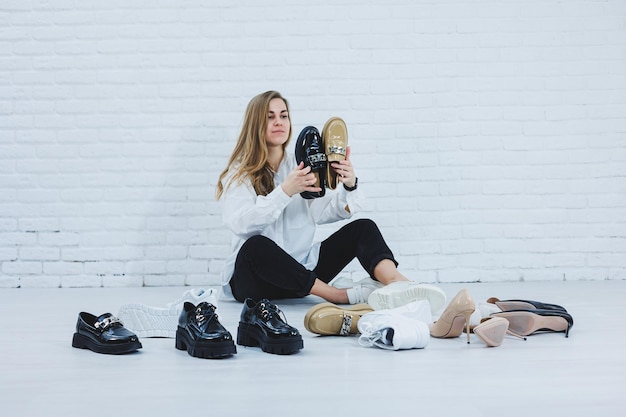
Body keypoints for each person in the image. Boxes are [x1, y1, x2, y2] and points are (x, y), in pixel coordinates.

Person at [216, 90, 445, 312]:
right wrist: (285, 191)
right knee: (255, 246)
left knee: (363, 228)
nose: (279, 122)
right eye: (270, 117)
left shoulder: (302, 166)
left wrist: (349, 185)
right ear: (255, 124)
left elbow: (323, 213)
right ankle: (337, 295)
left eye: (283, 115)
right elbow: (241, 224)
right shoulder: (239, 174)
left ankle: (400, 286)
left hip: (302, 273)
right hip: (255, 283)